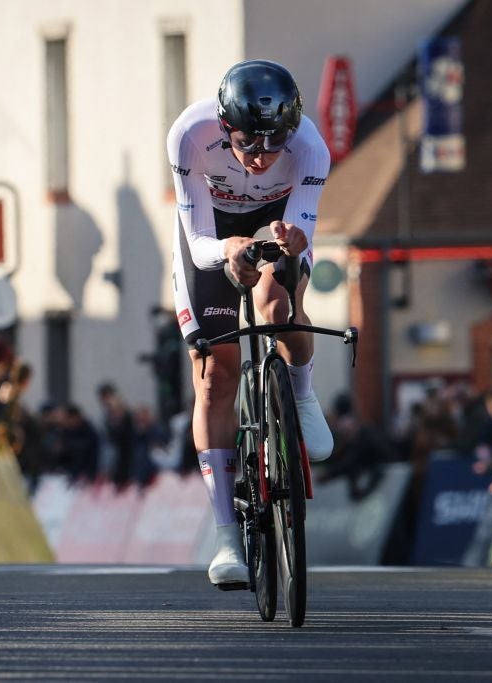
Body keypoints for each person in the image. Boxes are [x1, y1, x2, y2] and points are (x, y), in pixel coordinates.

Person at [166, 59, 332, 587]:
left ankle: (301, 397)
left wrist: (289, 245)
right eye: (247, 145)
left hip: (274, 222)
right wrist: (230, 250)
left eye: (273, 144)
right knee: (215, 371)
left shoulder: (311, 149)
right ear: (224, 128)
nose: (261, 157)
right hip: (213, 231)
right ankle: (225, 538)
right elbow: (198, 243)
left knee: (278, 307)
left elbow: (300, 233)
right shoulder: (189, 135)